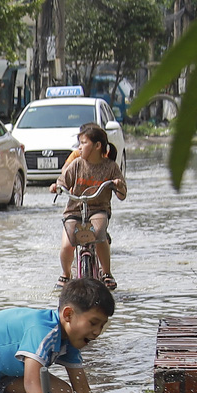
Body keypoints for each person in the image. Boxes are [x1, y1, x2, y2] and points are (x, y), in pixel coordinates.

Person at [52, 123, 127, 290]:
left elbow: (122, 194)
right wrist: (57, 186)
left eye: (83, 143)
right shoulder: (77, 164)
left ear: (97, 145)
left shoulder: (110, 167)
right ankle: (65, 274)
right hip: (74, 210)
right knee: (67, 244)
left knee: (99, 234)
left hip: (98, 209)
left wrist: (119, 185)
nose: (79, 147)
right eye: (79, 144)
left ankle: (106, 273)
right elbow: (63, 180)